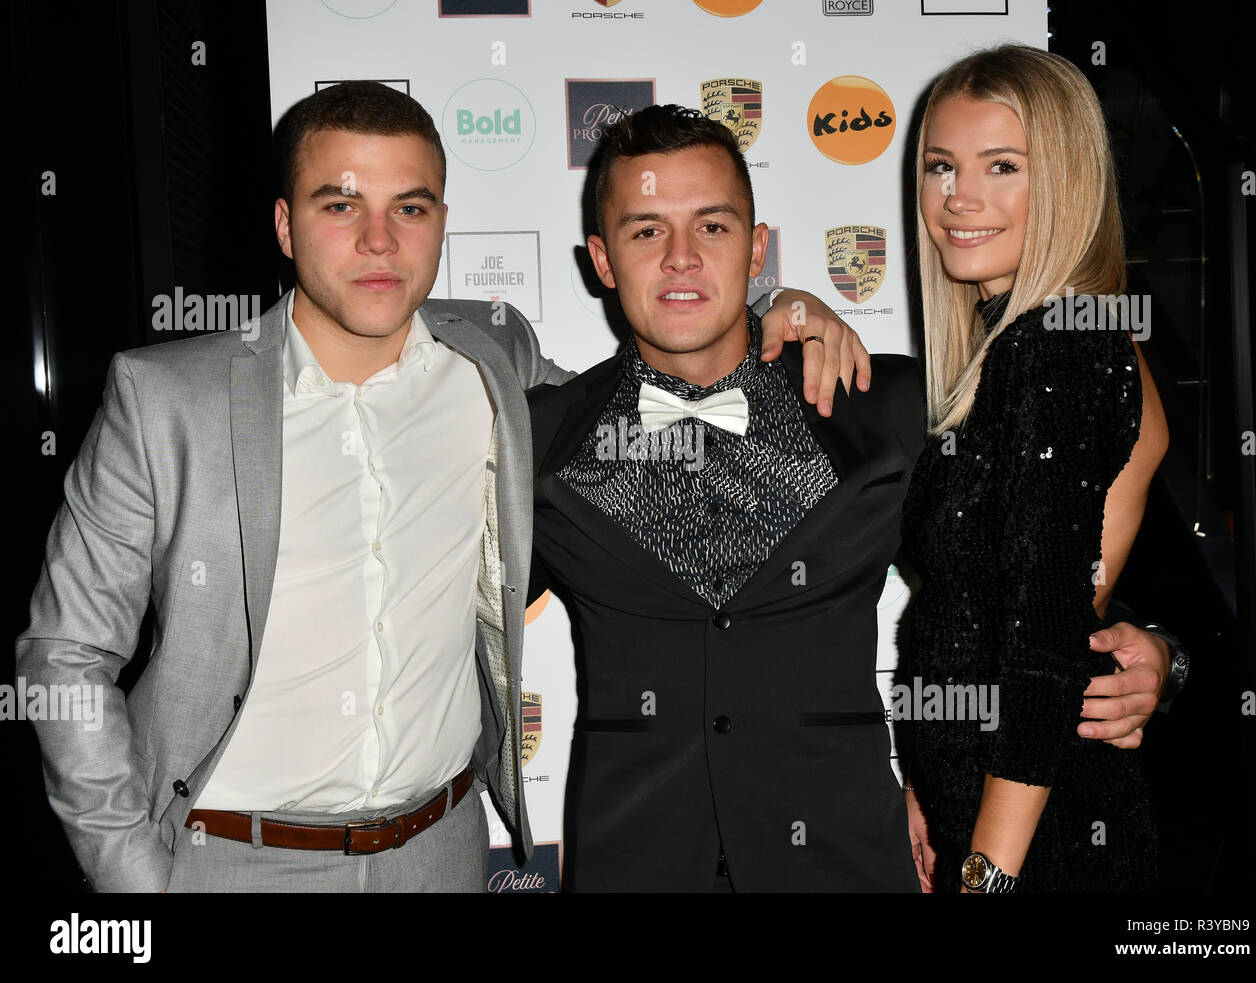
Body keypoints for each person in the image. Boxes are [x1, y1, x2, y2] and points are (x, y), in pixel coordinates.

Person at [14, 81, 867, 893]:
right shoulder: (167, 399)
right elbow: (65, 654)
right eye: (340, 205)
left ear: (443, 222)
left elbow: (665, 399)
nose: (379, 241)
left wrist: (776, 309)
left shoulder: (496, 361)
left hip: (442, 854)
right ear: (284, 224)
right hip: (226, 862)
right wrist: (134, 874)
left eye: (409, 208)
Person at [524, 104, 1173, 892]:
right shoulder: (541, 440)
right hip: (633, 866)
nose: (683, 259)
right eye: (646, 230)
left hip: (848, 864)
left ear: (758, 247)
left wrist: (1159, 655)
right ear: (601, 258)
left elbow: (1094, 459)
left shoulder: (885, 403)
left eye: (714, 227)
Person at [897, 44, 1169, 893]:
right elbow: (984, 613)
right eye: (942, 166)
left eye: (1001, 166)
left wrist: (988, 873)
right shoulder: (1019, 347)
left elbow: (1045, 638)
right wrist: (928, 780)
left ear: (1067, 180)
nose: (958, 198)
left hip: (1041, 835)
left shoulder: (1062, 345)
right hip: (994, 807)